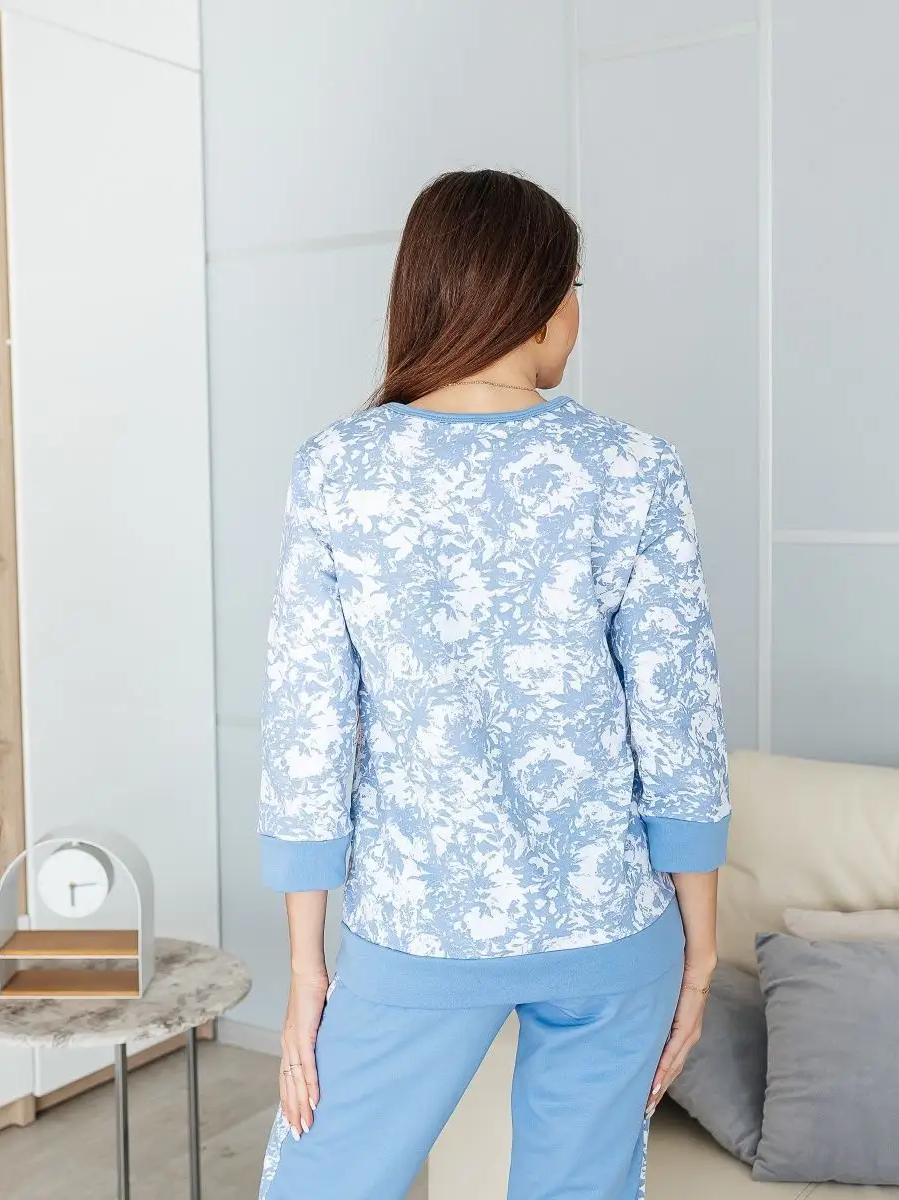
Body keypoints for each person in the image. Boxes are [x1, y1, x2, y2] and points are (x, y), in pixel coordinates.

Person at [256, 169, 730, 1200]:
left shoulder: (339, 469)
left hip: (418, 926)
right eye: (574, 288)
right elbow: (678, 717)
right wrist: (701, 946)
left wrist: (305, 968)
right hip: (613, 926)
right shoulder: (632, 467)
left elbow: (308, 724)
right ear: (540, 300)